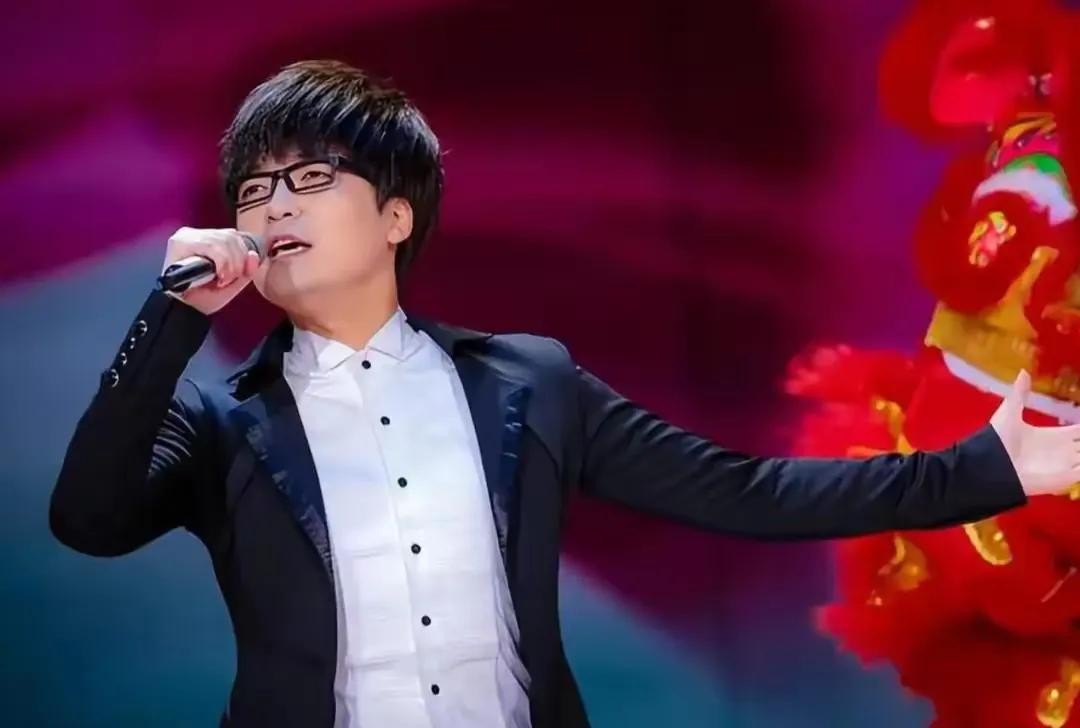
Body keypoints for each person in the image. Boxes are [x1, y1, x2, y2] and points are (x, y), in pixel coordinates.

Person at [47, 59, 1080, 728]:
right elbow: (90, 517)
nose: (274, 206)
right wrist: (171, 316)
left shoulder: (526, 384)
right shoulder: (222, 420)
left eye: (309, 179)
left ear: (397, 216)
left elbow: (749, 493)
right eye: (253, 190)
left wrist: (988, 469)